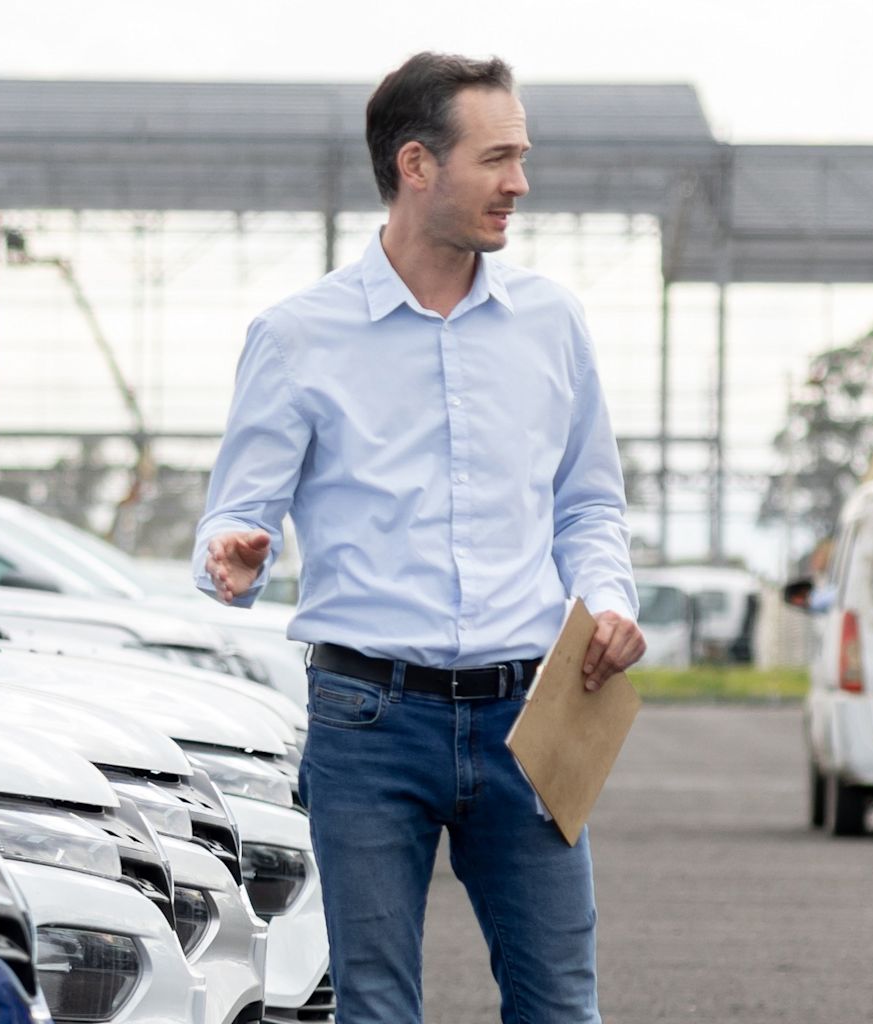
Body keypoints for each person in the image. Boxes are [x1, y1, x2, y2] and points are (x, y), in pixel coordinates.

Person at [193, 52, 644, 1024]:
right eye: (498, 158)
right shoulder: (297, 335)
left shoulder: (551, 325)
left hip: (531, 711)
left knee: (560, 1001)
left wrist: (609, 601)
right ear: (416, 165)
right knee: (378, 1004)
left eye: (520, 157)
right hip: (367, 716)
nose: (519, 183)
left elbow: (588, 506)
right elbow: (236, 510)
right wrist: (233, 549)